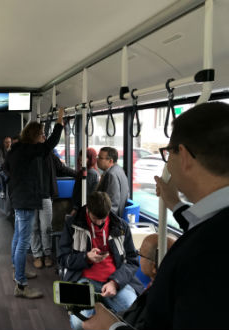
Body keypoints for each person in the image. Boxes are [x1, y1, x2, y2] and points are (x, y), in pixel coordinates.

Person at [83, 101, 229, 329]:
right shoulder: (214, 224)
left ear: (183, 156)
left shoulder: (209, 255)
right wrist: (175, 204)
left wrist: (111, 327)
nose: (166, 160)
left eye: (167, 152)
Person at [58, 191, 144, 329]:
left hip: (114, 280)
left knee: (133, 313)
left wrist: (115, 282)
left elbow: (132, 261)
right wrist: (86, 257)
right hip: (82, 280)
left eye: (103, 219)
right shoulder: (72, 225)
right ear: (88, 209)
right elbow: (63, 258)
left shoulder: (121, 227)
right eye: (95, 218)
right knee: (79, 322)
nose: (98, 223)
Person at [4, 107, 65, 299]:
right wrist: (60, 121)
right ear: (34, 135)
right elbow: (50, 145)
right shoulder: (28, 150)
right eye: (42, 134)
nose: (44, 137)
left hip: (19, 198)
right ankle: (21, 285)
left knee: (18, 237)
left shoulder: (17, 148)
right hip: (26, 201)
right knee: (23, 241)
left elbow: (6, 169)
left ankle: (17, 270)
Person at [119, 233, 176, 329]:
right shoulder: (167, 287)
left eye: (140, 254)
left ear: (154, 267)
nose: (139, 257)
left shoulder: (155, 303)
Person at [31, 151, 76, 269]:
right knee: (33, 227)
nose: (43, 137)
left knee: (46, 227)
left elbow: (61, 168)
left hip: (46, 194)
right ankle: (37, 254)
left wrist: (79, 174)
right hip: (29, 196)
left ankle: (47, 254)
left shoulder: (49, 154)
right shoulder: (25, 153)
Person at [96, 147, 129, 217]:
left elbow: (112, 205)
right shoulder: (119, 169)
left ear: (110, 161)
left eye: (100, 158)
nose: (97, 160)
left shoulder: (111, 175)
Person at [71, 148, 100, 215]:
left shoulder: (90, 173)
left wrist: (75, 208)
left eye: (83, 160)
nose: (81, 162)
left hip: (82, 207)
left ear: (90, 160)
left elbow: (85, 194)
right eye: (80, 160)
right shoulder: (86, 172)